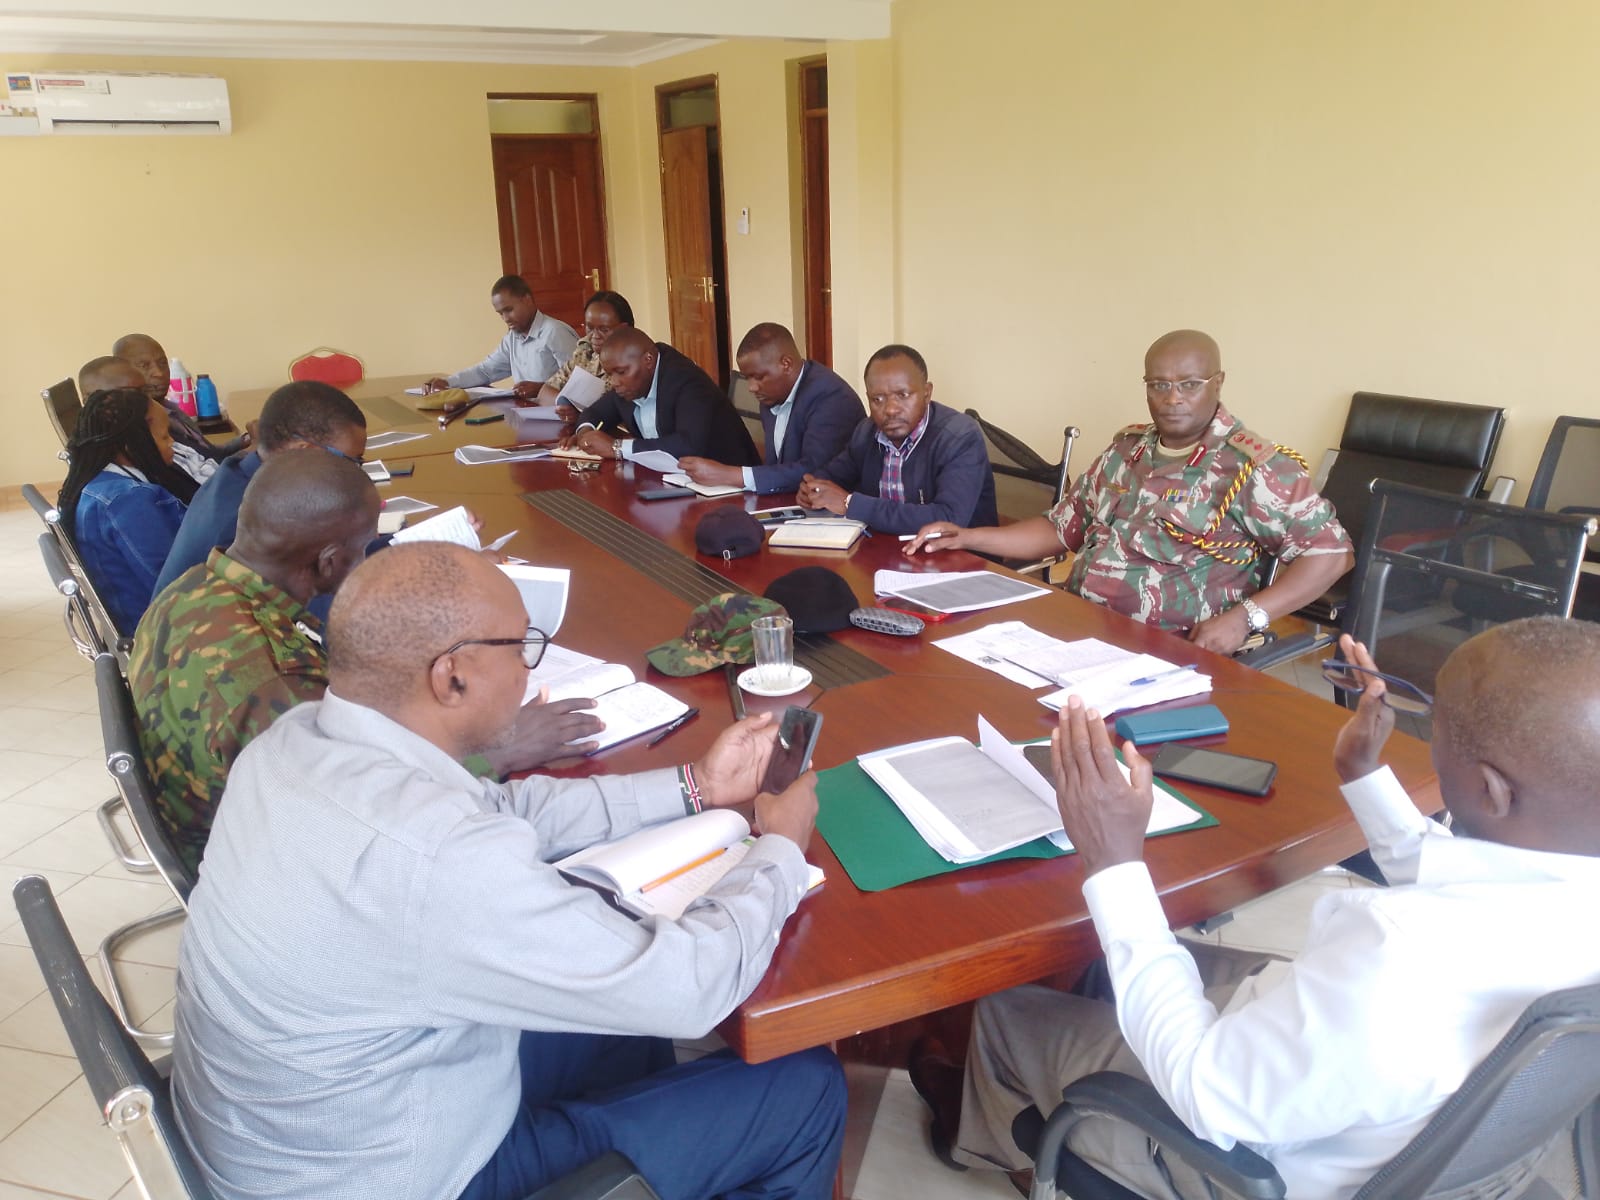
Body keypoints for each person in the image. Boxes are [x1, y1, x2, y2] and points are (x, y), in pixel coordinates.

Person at [171, 541, 845, 1200]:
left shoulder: (296, 739)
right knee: (805, 1087)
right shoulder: (433, 858)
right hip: (399, 1174)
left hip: (302, 1132)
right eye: (523, 649)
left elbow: (502, 806)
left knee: (617, 1021)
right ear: (452, 675)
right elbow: (691, 986)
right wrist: (780, 850)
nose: (529, 671)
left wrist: (696, 785)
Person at [911, 620, 1600, 1199]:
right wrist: (1364, 773)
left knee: (1005, 1011)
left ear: (1492, 791)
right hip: (1398, 1110)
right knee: (1117, 965)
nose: (1425, 734)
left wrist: (1114, 858)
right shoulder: (1554, 884)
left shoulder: (1400, 955)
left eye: (1435, 725)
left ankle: (984, 1140)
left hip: (1241, 1162)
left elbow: (1202, 1092)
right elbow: (1465, 884)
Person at [131, 452, 604, 875]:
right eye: (363, 550)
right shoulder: (275, 684)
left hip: (226, 818)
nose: (366, 559)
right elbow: (369, 813)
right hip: (267, 870)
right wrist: (502, 752)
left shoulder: (192, 588)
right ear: (330, 563)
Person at [903, 330, 1352, 654]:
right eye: (1158, 385)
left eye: (1189, 385)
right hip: (1078, 630)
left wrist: (1244, 619)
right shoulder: (1127, 450)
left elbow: (1332, 555)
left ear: (1218, 382)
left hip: (1171, 651)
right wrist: (968, 536)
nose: (1172, 398)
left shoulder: (1254, 467)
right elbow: (1061, 530)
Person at [154, 379, 369, 598]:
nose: (356, 473)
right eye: (352, 462)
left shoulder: (243, 474)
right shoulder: (253, 518)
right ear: (303, 452)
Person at [799, 343, 997, 534]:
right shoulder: (866, 432)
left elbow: (948, 519)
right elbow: (833, 475)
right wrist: (812, 489)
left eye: (903, 395)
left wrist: (849, 503)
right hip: (888, 549)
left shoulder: (959, 437)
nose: (891, 409)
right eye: (878, 399)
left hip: (961, 559)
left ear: (926, 393)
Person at [57, 387, 198, 635]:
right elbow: (172, 585)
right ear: (130, 444)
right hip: (165, 634)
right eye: (164, 436)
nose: (172, 443)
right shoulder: (129, 501)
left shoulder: (101, 484)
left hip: (150, 620)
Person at [679, 322, 864, 495]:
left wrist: (733, 476)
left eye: (758, 377)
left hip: (835, 513)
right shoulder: (773, 393)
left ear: (786, 364)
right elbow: (777, 463)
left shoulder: (832, 398)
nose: (751, 387)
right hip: (785, 500)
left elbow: (814, 471)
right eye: (747, 377)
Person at [567, 327, 760, 466]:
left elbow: (688, 445)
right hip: (671, 480)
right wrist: (585, 434)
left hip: (728, 483)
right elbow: (595, 412)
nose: (615, 381)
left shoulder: (686, 381)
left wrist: (617, 447)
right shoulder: (629, 381)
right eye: (610, 374)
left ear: (648, 361)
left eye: (620, 372)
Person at [422, 274, 578, 399]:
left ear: (527, 300)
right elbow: (486, 371)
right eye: (500, 313)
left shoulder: (555, 332)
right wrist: (448, 382)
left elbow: (580, 382)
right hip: (526, 412)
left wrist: (542, 388)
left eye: (508, 310)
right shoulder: (512, 338)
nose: (505, 318)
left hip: (557, 416)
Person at [79, 355, 214, 485]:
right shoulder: (145, 454)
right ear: (90, 401)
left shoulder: (156, 424)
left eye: (144, 391)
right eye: (131, 393)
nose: (144, 399)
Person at [113, 332, 250, 460]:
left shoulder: (171, 409)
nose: (159, 373)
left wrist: (244, 440)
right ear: (123, 373)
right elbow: (202, 474)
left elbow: (206, 453)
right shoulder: (145, 426)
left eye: (162, 363)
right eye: (144, 365)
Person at [535, 290, 634, 414]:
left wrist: (582, 413)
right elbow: (545, 393)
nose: (595, 336)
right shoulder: (586, 353)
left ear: (624, 329)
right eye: (590, 328)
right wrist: (566, 407)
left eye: (604, 329)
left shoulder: (634, 363)